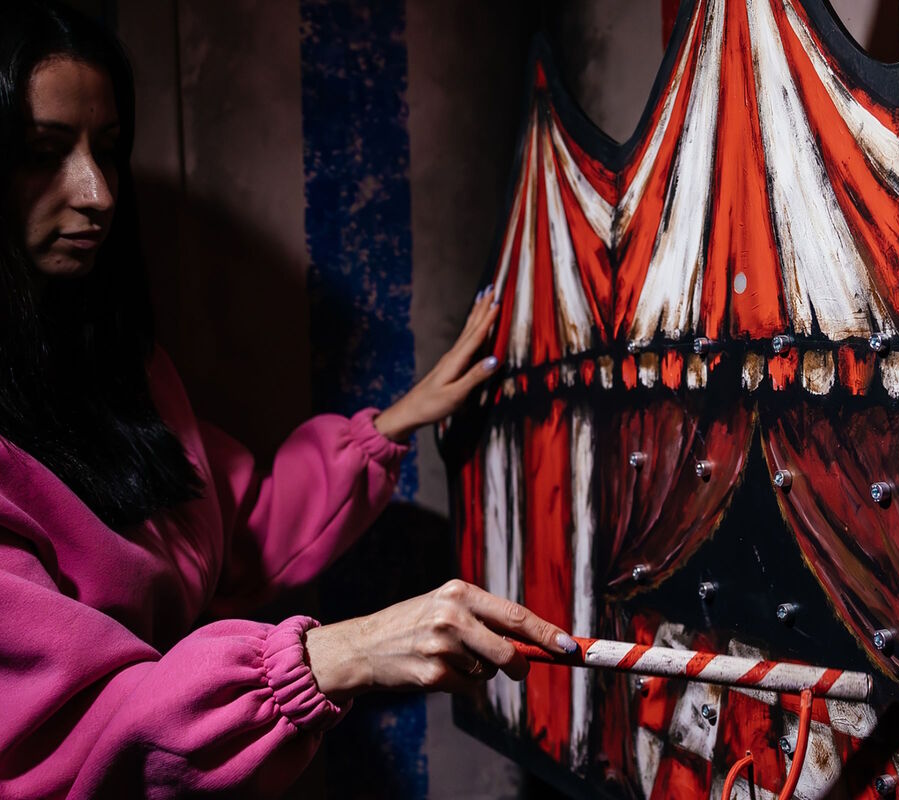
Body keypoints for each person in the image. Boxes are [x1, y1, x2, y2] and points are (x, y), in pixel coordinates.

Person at [0, 3, 574, 797]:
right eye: (43, 153)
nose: (96, 192)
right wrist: (344, 653)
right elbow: (81, 738)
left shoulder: (127, 370)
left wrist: (399, 418)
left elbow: (238, 531)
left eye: (109, 149)